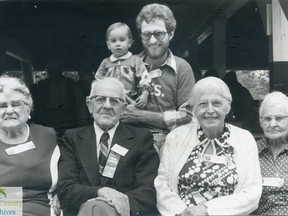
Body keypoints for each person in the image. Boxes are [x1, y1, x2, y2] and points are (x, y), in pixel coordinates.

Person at [154, 77, 262, 215]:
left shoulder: (244, 139)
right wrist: (182, 212)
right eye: (203, 104)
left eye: (216, 103)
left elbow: (252, 192)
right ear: (193, 109)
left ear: (227, 107)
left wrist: (208, 210)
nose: (210, 110)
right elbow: (162, 184)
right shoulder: (176, 137)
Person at [58, 78, 159, 216]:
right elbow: (65, 188)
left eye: (114, 101)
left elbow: (149, 189)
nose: (107, 106)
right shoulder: (72, 138)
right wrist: (101, 192)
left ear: (123, 108)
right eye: (100, 99)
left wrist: (117, 205)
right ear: (89, 105)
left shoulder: (141, 138)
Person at [121, 3, 196, 152]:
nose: (153, 41)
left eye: (159, 34)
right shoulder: (126, 65)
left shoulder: (182, 68)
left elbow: (188, 117)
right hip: (129, 140)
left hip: (170, 142)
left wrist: (140, 116)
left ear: (171, 33)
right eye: (147, 35)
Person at [0, 75, 60, 216]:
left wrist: (61, 192)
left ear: (28, 109)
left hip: (45, 205)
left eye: (15, 104)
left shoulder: (47, 135)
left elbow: (69, 171)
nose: (9, 110)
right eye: (2, 105)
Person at [95, 22, 152, 109]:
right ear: (108, 45)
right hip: (109, 102)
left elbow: (145, 79)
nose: (118, 44)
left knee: (129, 120)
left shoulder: (135, 61)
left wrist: (145, 95)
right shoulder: (105, 63)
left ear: (129, 43)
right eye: (113, 41)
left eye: (122, 40)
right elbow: (98, 81)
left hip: (130, 102)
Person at [253, 91, 288, 215]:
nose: (273, 124)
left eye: (279, 118)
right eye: (267, 118)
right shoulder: (251, 151)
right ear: (260, 121)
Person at [33, 58, 78, 134]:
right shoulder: (43, 84)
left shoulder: (70, 83)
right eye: (51, 70)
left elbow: (75, 101)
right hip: (49, 116)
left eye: (56, 70)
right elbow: (39, 102)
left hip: (67, 116)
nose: (54, 72)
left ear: (61, 71)